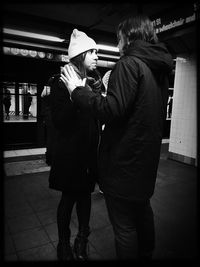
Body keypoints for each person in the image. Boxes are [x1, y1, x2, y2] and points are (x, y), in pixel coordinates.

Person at [61, 15, 173, 260]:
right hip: (145, 165)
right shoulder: (159, 70)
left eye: (119, 37)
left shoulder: (129, 64)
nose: (118, 43)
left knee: (124, 228)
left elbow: (111, 110)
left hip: (122, 166)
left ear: (128, 37)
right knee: (143, 213)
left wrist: (77, 91)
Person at [49, 29, 103, 261]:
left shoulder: (95, 82)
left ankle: (82, 239)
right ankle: (63, 243)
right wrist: (74, 95)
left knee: (85, 199)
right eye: (92, 52)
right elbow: (60, 122)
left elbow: (98, 116)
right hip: (70, 156)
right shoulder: (61, 83)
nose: (97, 56)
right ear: (80, 55)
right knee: (68, 200)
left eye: (97, 51)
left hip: (89, 154)